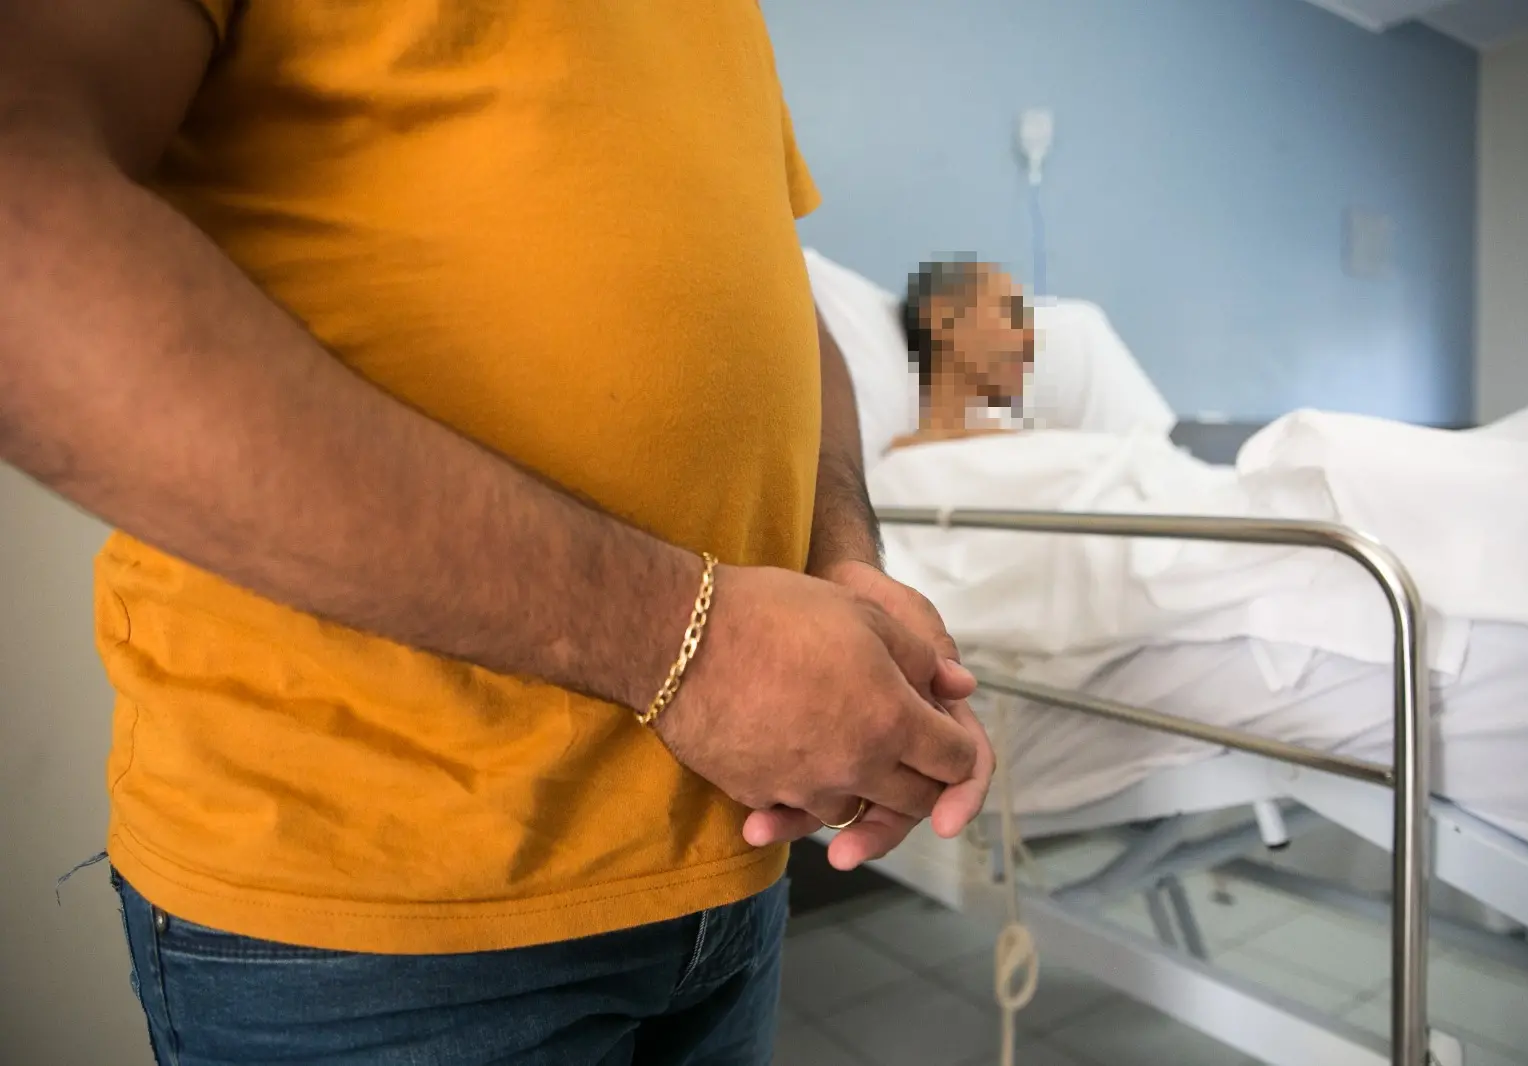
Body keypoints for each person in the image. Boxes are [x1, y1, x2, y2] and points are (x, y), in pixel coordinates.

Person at [0, 3, 994, 1064]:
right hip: (375, 927)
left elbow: (772, 290)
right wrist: (689, 646)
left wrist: (842, 557)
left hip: (723, 872)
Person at [894, 259, 1035, 450]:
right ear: (941, 315)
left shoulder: (1034, 451)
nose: (1029, 337)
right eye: (1010, 313)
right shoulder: (909, 459)